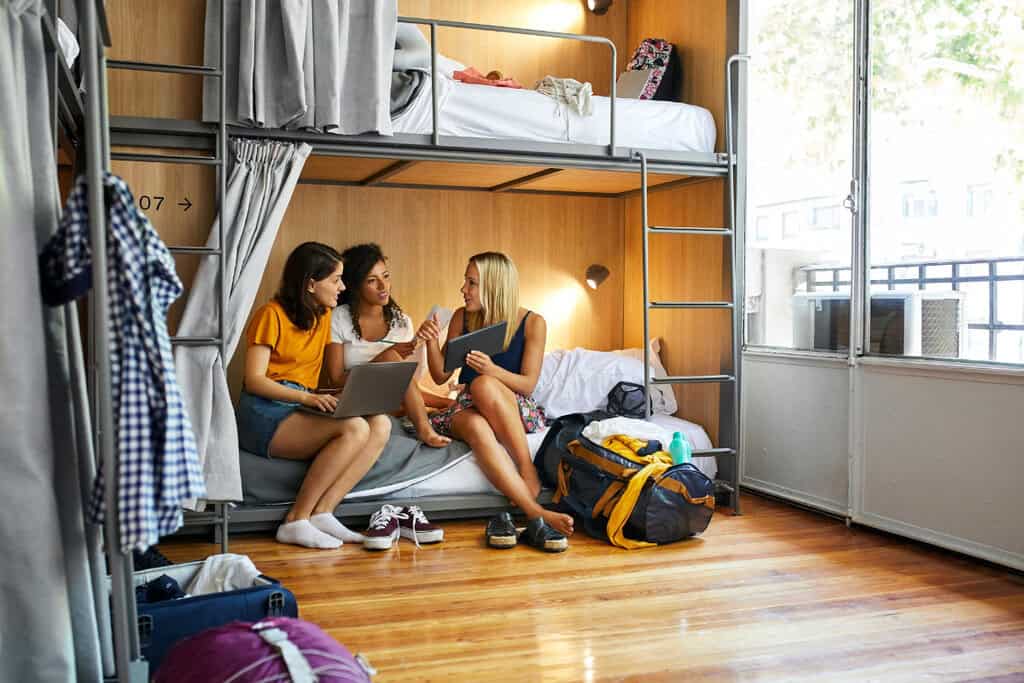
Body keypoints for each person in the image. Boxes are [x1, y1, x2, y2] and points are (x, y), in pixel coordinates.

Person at [237, 242, 391, 550]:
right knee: (354, 428)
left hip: (299, 402)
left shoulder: (322, 317)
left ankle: (323, 512)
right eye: (336, 280)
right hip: (264, 410)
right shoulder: (270, 315)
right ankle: (295, 519)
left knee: (380, 423)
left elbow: (309, 381)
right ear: (310, 283)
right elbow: (254, 381)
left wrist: (333, 396)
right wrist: (308, 400)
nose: (343, 287)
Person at [417, 251, 574, 548]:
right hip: (465, 408)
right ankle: (535, 511)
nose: (463, 289)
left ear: (494, 285)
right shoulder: (463, 317)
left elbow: (527, 385)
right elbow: (440, 376)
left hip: (510, 403)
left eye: (471, 283)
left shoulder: (532, 323)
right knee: (476, 422)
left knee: (485, 384)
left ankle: (526, 468)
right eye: (466, 282)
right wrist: (430, 341)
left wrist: (492, 370)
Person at [324, 243, 452, 448]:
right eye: (372, 281)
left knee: (400, 375)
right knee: (393, 361)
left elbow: (408, 386)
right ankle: (425, 430)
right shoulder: (338, 318)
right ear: (356, 286)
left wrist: (447, 402)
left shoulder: (402, 323)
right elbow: (336, 380)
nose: (384, 287)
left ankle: (423, 419)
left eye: (386, 276)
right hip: (351, 397)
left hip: (391, 401)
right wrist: (383, 358)